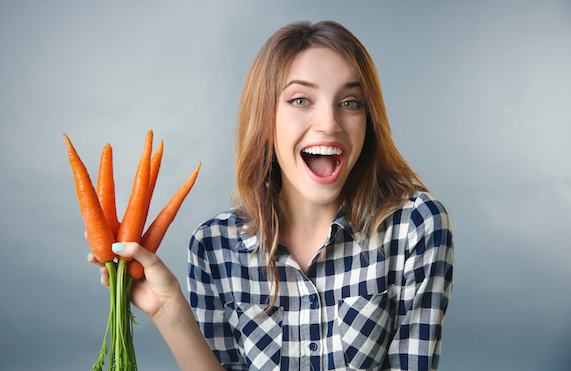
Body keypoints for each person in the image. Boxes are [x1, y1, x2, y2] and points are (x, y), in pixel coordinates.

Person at [89, 20, 454, 371]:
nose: (329, 123)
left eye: (350, 102)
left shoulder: (415, 226)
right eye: (300, 100)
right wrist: (167, 310)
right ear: (266, 119)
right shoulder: (214, 246)